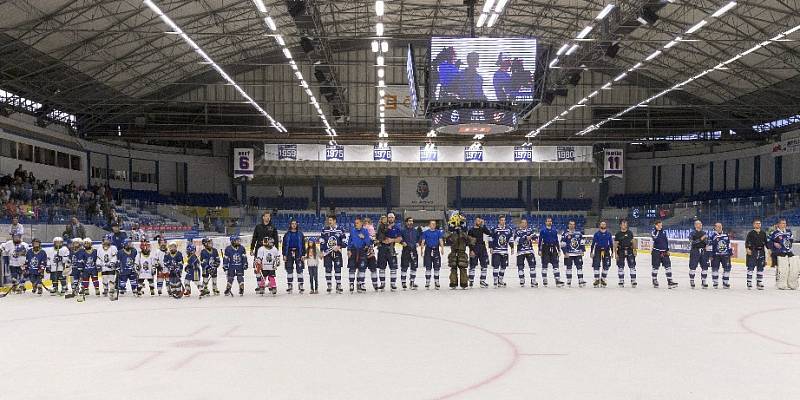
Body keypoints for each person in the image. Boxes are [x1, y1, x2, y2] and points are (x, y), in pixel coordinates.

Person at [445, 211, 471, 289]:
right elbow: (448, 240)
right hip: (453, 251)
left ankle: (464, 283)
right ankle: (453, 283)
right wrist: (453, 230)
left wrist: (461, 231)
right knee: (453, 267)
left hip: (462, 251)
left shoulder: (464, 230)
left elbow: (468, 240)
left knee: (462, 267)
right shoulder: (451, 231)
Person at [376, 212, 402, 291]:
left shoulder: (397, 227)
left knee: (393, 267)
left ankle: (393, 284)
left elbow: (400, 239)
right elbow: (377, 236)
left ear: (394, 218)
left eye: (392, 217)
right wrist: (381, 241)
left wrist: (392, 240)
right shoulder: (382, 226)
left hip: (391, 248)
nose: (390, 219)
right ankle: (382, 284)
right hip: (382, 248)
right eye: (389, 217)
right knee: (381, 267)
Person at [320, 215, 346, 294]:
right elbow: (322, 241)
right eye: (329, 220)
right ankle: (329, 285)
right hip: (327, 253)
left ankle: (338, 284)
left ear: (335, 221)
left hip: (337, 252)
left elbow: (344, 241)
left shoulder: (340, 229)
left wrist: (339, 246)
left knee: (338, 269)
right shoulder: (324, 229)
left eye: (331, 220)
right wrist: (321, 251)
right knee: (328, 269)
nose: (329, 222)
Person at [770, 218, 796, 290]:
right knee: (780, 267)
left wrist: (788, 246)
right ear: (779, 224)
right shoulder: (775, 233)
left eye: (785, 223)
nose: (784, 224)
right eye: (782, 223)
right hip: (779, 252)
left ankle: (789, 282)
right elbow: (770, 242)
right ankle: (779, 281)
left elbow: (791, 240)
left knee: (792, 266)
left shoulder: (789, 232)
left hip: (788, 251)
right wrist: (774, 243)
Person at [347, 217, 371, 293]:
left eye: (357, 223)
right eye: (355, 223)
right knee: (352, 268)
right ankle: (351, 284)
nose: (355, 224)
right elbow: (350, 240)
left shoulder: (365, 231)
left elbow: (368, 242)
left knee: (362, 268)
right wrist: (348, 250)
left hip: (362, 251)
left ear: (361, 223)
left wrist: (363, 238)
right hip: (353, 251)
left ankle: (361, 284)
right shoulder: (352, 231)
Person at [651, 220, 677, 289]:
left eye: (661, 225)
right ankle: (654, 280)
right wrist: (658, 230)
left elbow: (666, 241)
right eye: (658, 225)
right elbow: (655, 239)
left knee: (668, 266)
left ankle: (670, 281)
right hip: (656, 252)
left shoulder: (664, 232)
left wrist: (667, 250)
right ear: (655, 225)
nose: (660, 227)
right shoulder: (653, 232)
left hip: (664, 252)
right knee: (655, 266)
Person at [538, 217, 564, 287]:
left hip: (553, 249)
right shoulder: (543, 230)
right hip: (545, 249)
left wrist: (559, 250)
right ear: (545, 222)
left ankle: (557, 280)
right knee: (544, 265)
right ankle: (545, 280)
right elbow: (540, 241)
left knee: (556, 265)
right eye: (548, 221)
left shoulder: (554, 230)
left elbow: (556, 241)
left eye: (550, 221)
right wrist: (539, 250)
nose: (549, 222)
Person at [282, 220, 306, 293]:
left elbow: (303, 245)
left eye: (295, 224)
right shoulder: (287, 234)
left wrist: (303, 254)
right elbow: (283, 245)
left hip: (298, 252)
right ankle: (290, 285)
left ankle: (300, 284)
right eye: (292, 224)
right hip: (289, 252)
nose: (294, 225)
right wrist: (284, 255)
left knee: (299, 269)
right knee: (289, 269)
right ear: (290, 225)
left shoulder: (300, 234)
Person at [467, 217, 491, 288]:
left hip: (483, 248)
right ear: (475, 221)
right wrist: (471, 250)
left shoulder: (482, 228)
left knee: (484, 265)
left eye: (479, 220)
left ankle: (482, 281)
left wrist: (483, 225)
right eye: (477, 220)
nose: (478, 221)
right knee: (472, 265)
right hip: (474, 249)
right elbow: (469, 241)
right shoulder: (471, 230)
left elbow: (489, 233)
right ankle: (471, 281)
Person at [512, 218, 537, 287]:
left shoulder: (530, 230)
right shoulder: (517, 231)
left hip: (529, 250)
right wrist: (526, 237)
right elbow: (516, 240)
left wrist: (535, 238)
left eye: (525, 222)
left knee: (532, 266)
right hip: (520, 251)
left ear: (527, 224)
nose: (524, 224)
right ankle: (522, 280)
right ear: (520, 224)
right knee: (520, 267)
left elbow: (535, 238)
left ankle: (533, 281)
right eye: (522, 222)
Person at [745, 218, 768, 290]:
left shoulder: (763, 233)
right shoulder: (751, 233)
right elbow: (747, 242)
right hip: (753, 252)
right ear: (754, 224)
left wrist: (769, 250)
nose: (758, 224)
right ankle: (749, 282)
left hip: (761, 252)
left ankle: (759, 282)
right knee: (751, 267)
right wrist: (747, 249)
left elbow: (766, 243)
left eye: (759, 223)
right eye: (757, 223)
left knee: (760, 268)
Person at [489, 216, 512, 288]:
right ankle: (495, 281)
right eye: (501, 220)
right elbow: (490, 238)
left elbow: (510, 239)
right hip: (496, 251)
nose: (503, 221)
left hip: (504, 251)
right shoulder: (494, 229)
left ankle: (500, 280)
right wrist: (491, 247)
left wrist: (512, 247)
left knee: (503, 267)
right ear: (499, 221)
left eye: (504, 220)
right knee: (496, 266)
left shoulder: (508, 229)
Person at [561, 220, 586, 287]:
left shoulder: (579, 233)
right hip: (569, 254)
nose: (572, 225)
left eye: (573, 224)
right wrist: (565, 252)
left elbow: (582, 242)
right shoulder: (565, 233)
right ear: (568, 225)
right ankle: (569, 281)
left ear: (575, 225)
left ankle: (580, 280)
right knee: (569, 268)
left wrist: (582, 250)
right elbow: (563, 244)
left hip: (578, 253)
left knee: (579, 267)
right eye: (570, 224)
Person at [400, 217, 422, 290]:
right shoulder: (402, 231)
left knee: (414, 267)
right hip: (406, 251)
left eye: (412, 221)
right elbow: (399, 238)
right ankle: (403, 283)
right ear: (406, 222)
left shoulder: (416, 231)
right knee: (404, 267)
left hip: (414, 251)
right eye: (409, 221)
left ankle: (412, 282)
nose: (411, 222)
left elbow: (419, 238)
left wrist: (418, 243)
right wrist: (402, 242)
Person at [422, 220, 445, 289]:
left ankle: (437, 282)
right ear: (429, 225)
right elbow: (423, 241)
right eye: (432, 224)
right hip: (428, 251)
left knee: (436, 267)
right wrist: (421, 250)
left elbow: (440, 240)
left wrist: (442, 248)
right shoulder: (425, 232)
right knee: (428, 267)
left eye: (434, 224)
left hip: (436, 250)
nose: (433, 225)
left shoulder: (438, 232)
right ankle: (427, 282)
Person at [614, 220, 637, 288]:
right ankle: (621, 280)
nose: (624, 225)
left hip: (629, 250)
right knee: (620, 266)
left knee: (632, 266)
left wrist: (635, 250)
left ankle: (633, 280)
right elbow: (615, 244)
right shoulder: (618, 234)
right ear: (620, 225)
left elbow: (633, 241)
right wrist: (615, 253)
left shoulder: (630, 233)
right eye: (623, 224)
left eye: (625, 224)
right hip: (621, 251)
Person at [708, 222, 732, 289]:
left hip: (725, 255)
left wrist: (730, 253)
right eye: (718, 226)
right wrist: (710, 255)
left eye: (720, 226)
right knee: (715, 269)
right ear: (715, 228)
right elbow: (710, 246)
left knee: (727, 269)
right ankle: (715, 282)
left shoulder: (726, 235)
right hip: (715, 256)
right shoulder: (712, 236)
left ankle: (725, 282)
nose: (719, 228)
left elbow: (729, 245)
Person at [591, 221, 614, 288]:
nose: (603, 225)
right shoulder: (596, 234)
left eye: (604, 224)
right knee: (596, 264)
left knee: (606, 265)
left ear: (606, 225)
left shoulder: (609, 234)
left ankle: (603, 279)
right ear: (599, 225)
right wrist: (591, 252)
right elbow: (593, 243)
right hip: (598, 250)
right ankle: (597, 279)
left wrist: (612, 252)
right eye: (602, 224)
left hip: (606, 250)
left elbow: (611, 243)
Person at [688, 220, 710, 289]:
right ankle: (692, 281)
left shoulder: (704, 233)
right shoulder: (692, 233)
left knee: (705, 267)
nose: (700, 225)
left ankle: (704, 281)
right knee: (693, 267)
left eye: (701, 224)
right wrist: (701, 239)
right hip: (695, 251)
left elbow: (707, 242)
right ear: (695, 225)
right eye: (699, 224)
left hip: (703, 251)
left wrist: (706, 242)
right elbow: (692, 242)